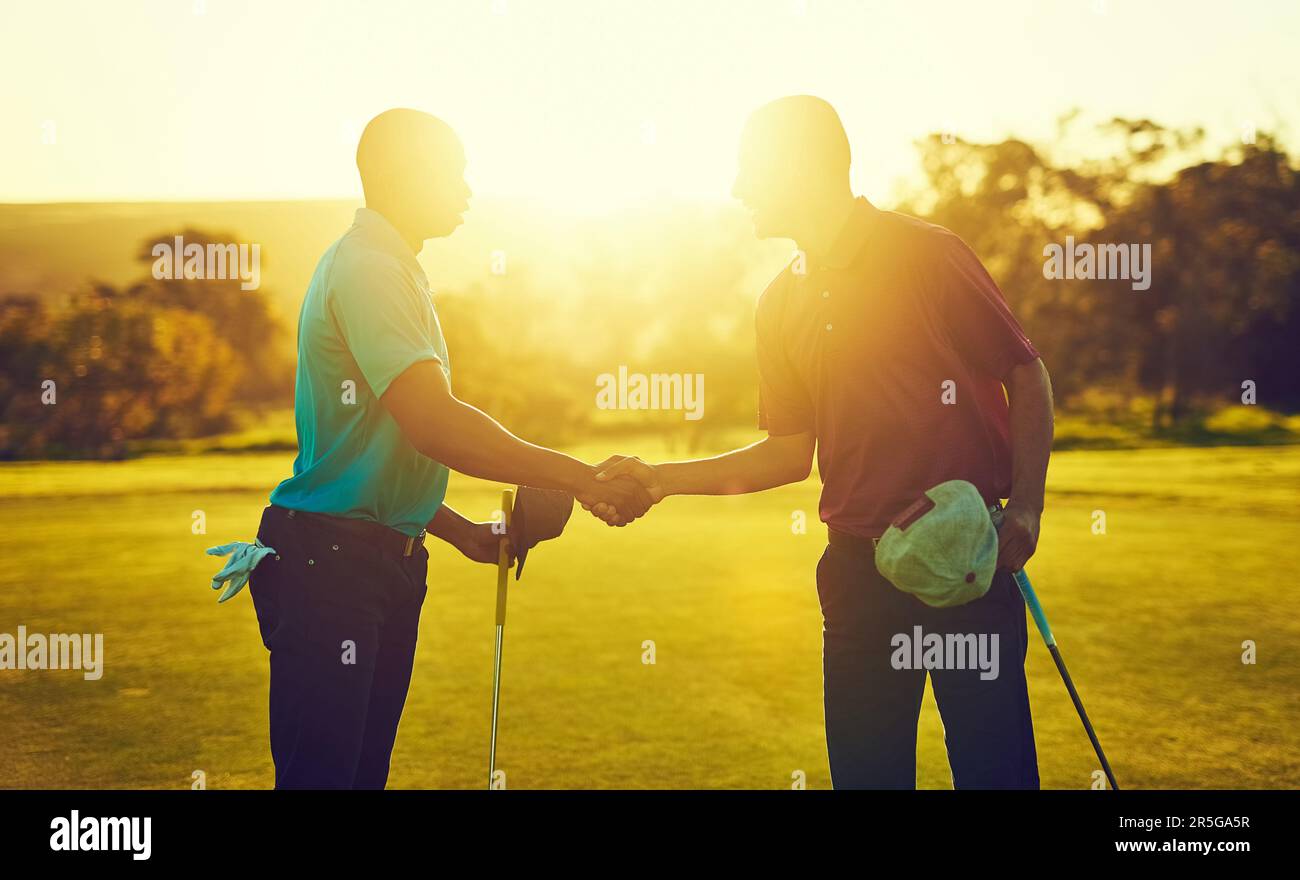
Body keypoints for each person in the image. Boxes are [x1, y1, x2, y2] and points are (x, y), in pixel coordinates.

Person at [593, 96, 1055, 789]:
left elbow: (1026, 370)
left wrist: (1025, 508)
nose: (738, 188)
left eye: (751, 168)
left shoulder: (927, 254)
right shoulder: (781, 302)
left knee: (996, 775)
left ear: (800, 168)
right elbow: (786, 453)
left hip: (966, 564)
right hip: (859, 578)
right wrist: (660, 479)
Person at [249, 108, 650, 789]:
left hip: (377, 562)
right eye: (454, 172)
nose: (467, 188)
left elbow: (376, 449)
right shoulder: (372, 269)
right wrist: (582, 477)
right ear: (408, 175)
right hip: (331, 568)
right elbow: (435, 424)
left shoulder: (392, 266)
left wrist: (458, 530)